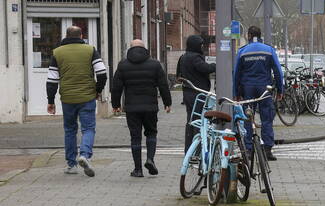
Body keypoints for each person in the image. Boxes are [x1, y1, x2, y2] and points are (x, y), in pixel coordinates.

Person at [46, 26, 107, 177]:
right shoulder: (90, 50)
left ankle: (71, 165)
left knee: (70, 130)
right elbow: (102, 73)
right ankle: (85, 155)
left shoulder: (57, 52)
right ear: (81, 36)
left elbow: (52, 80)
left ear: (66, 36)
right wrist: (97, 90)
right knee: (88, 128)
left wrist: (51, 100)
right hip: (87, 97)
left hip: (67, 98)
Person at [110, 40, 172, 177]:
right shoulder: (155, 64)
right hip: (150, 106)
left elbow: (116, 87)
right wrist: (167, 102)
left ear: (130, 49)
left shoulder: (123, 65)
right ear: (145, 49)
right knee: (151, 133)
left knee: (135, 137)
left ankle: (138, 169)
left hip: (132, 108)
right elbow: (163, 85)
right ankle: (150, 159)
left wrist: (115, 105)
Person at [233, 26, 285, 161]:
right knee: (267, 118)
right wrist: (280, 90)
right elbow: (278, 72)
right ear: (260, 35)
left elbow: (236, 74)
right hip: (264, 89)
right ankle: (267, 150)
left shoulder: (242, 51)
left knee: (248, 119)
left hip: (248, 88)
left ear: (249, 35)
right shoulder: (269, 50)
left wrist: (236, 93)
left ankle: (248, 150)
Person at [176, 34, 215, 152]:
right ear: (195, 45)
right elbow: (205, 68)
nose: (202, 47)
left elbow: (179, 74)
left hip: (187, 93)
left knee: (191, 120)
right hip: (197, 93)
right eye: (201, 45)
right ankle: (197, 149)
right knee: (198, 121)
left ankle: (189, 148)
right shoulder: (195, 57)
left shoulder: (183, 57)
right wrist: (216, 65)